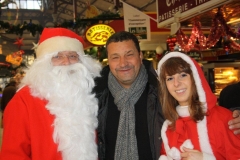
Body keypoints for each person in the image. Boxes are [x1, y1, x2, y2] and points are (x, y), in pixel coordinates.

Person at [0, 28, 102, 160]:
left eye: (72, 56)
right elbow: (13, 155)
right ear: (44, 63)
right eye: (57, 56)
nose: (66, 62)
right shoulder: (23, 100)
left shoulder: (87, 96)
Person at [94, 31, 165, 160]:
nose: (123, 63)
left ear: (140, 56)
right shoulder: (95, 98)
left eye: (129, 55)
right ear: (108, 61)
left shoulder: (162, 94)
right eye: (115, 57)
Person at [157, 52, 240, 160]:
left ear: (196, 78)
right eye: (170, 78)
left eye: (183, 75)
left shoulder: (225, 119)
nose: (176, 83)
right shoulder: (169, 127)